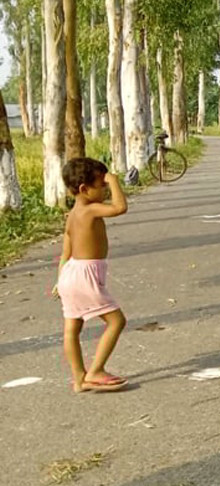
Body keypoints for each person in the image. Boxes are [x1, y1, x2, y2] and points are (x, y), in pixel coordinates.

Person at [55, 158, 130, 393]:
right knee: (117, 321)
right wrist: (115, 181)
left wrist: (59, 281)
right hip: (85, 276)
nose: (106, 188)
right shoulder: (90, 209)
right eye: (102, 184)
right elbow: (120, 208)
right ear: (84, 189)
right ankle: (96, 370)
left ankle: (79, 379)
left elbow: (65, 253)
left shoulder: (72, 215)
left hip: (70, 273)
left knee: (72, 329)